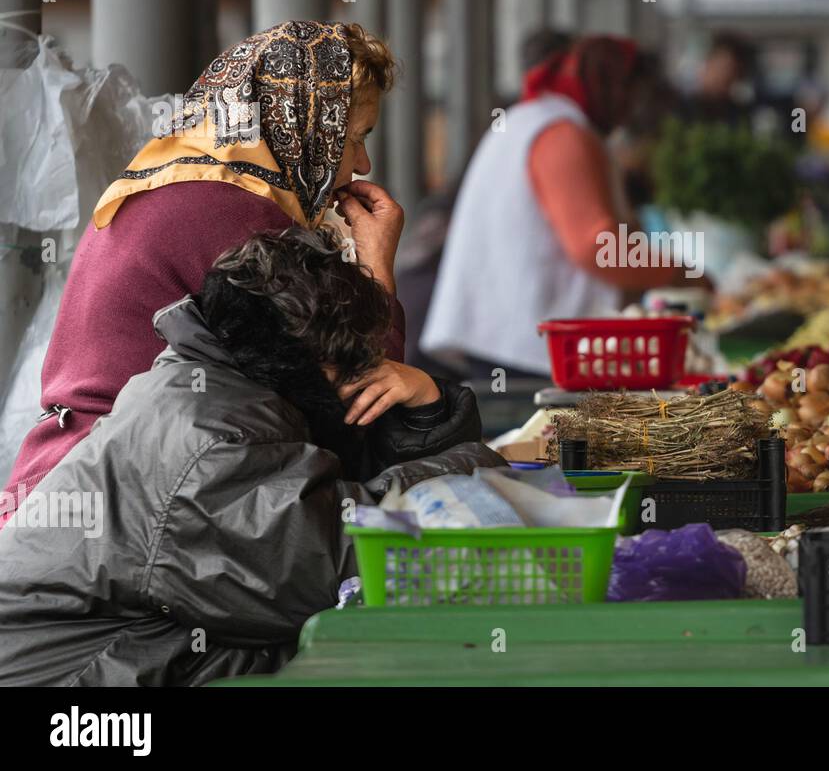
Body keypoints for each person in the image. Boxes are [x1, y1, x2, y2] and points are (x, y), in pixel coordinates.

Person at [0, 227, 503, 686]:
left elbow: (338, 496)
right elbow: (338, 562)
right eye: (353, 364)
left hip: (149, 653)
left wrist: (425, 408)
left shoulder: (224, 386)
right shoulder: (206, 436)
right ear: (320, 363)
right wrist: (485, 471)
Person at [2, 21, 410, 517]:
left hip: (78, 483)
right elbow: (357, 395)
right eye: (354, 139)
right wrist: (376, 271)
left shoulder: (184, 178)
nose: (363, 164)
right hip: (118, 509)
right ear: (305, 127)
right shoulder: (243, 214)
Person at [421, 36, 695, 379]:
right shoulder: (561, 133)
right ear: (612, 87)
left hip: (507, 335)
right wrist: (680, 274)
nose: (629, 115)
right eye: (632, 97)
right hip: (525, 345)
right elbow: (596, 246)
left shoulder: (535, 118)